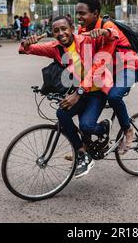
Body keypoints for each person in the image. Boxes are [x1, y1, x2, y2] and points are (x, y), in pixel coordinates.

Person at [19, 16, 118, 178]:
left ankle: (103, 128)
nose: (60, 33)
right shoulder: (56, 48)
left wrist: (105, 31)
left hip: (97, 90)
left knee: (86, 125)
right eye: (56, 30)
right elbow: (27, 49)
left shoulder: (86, 40)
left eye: (64, 28)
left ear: (72, 28)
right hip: (81, 91)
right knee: (62, 113)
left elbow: (112, 36)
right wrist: (27, 43)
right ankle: (82, 154)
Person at [76, 0, 138, 155]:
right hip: (108, 70)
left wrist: (104, 32)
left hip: (127, 66)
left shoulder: (107, 26)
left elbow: (112, 34)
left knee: (114, 97)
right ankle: (87, 145)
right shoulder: (82, 30)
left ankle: (128, 130)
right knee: (85, 99)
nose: (79, 17)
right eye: (77, 13)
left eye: (83, 13)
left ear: (95, 13)